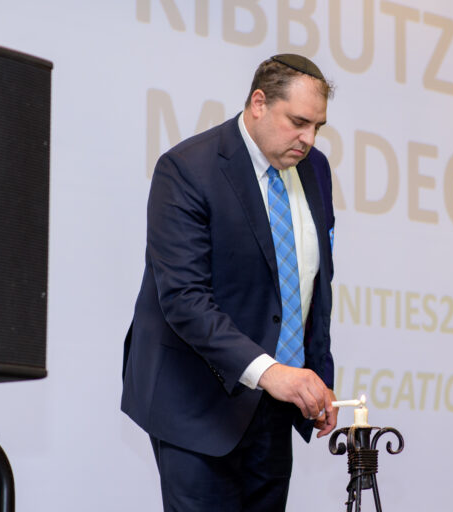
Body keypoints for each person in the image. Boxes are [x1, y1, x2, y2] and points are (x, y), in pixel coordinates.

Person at [121, 54, 338, 511]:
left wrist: (316, 378)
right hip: (195, 401)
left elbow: (313, 287)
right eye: (298, 122)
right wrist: (270, 372)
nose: (309, 139)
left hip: (274, 407)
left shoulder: (315, 169)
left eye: (317, 126)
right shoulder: (187, 168)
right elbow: (184, 298)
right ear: (259, 103)